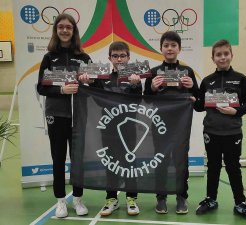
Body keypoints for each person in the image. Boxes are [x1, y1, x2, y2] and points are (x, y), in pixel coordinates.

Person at [193, 39, 246, 222]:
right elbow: (199, 107)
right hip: (211, 133)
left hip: (232, 133)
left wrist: (236, 111)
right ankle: (211, 199)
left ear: (231, 55)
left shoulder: (240, 78)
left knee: (233, 168)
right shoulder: (207, 81)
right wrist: (191, 99)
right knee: (213, 167)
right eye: (218, 55)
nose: (222, 58)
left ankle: (240, 203)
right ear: (213, 58)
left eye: (225, 54)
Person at [79, 41, 141, 216]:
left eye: (122, 55)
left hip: (129, 129)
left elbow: (137, 102)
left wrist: (136, 85)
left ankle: (131, 199)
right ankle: (111, 199)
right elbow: (98, 100)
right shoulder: (103, 78)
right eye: (115, 56)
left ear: (129, 57)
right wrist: (89, 83)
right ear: (109, 58)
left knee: (130, 164)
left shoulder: (134, 77)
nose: (119, 59)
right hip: (108, 130)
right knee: (111, 164)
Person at [37, 13, 90, 218]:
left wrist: (89, 81)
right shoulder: (49, 57)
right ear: (56, 30)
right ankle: (61, 201)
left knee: (78, 159)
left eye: (69, 27)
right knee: (58, 158)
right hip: (57, 115)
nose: (65, 30)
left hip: (79, 116)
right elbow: (42, 87)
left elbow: (97, 84)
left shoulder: (84, 58)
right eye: (61, 27)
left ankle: (77, 199)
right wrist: (60, 91)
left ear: (74, 31)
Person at [144, 31, 198, 214]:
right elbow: (146, 99)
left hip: (180, 125)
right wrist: (152, 87)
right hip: (159, 124)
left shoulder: (188, 72)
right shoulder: (153, 72)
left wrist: (192, 89)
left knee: (181, 161)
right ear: (161, 48)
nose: (169, 48)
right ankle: (161, 198)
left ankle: (181, 197)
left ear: (179, 49)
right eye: (166, 45)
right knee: (161, 161)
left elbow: (197, 99)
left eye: (173, 45)